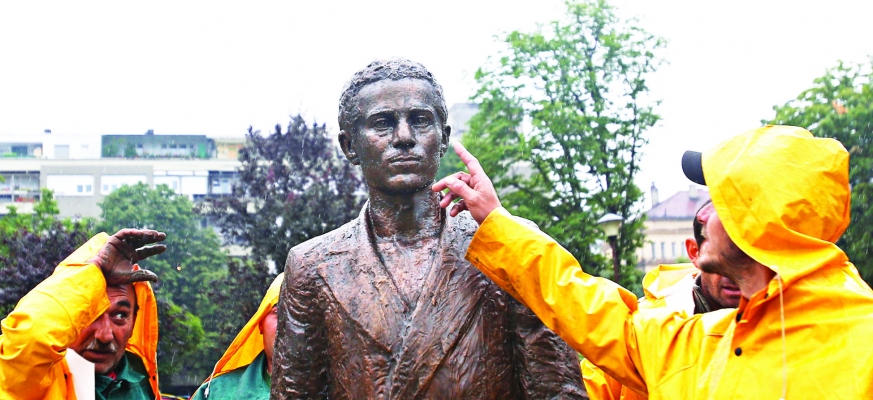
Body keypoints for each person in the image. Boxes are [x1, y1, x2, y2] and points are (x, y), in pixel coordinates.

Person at [434, 125, 873, 398]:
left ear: (755, 220)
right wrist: (497, 221)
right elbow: (589, 308)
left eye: (719, 201)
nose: (704, 215)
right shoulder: (702, 341)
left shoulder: (862, 344)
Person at [272, 58, 587, 399]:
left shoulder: (508, 246)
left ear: (443, 138)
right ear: (350, 146)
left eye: (420, 120)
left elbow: (558, 391)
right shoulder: (312, 267)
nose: (404, 137)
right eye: (383, 123)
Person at [0, 229, 167, 400]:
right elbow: (30, 339)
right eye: (89, 314)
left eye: (120, 315)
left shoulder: (141, 376)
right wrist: (94, 271)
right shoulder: (37, 379)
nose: (105, 335)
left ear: (134, 321)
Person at [581, 201, 741, 400]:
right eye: (722, 255)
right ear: (694, 252)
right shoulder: (645, 324)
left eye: (748, 256)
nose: (735, 270)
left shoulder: (778, 320)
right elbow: (588, 390)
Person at [191, 273, 284, 400]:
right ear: (260, 323)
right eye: (278, 312)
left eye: (304, 316)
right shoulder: (216, 394)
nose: (289, 324)